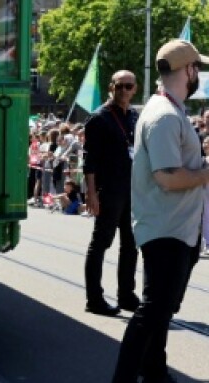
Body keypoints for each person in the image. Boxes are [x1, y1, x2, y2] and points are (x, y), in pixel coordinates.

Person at [108, 40, 209, 383]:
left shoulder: (170, 110)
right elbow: (167, 177)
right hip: (166, 227)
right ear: (187, 71)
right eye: (197, 68)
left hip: (174, 227)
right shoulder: (166, 116)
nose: (199, 75)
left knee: (163, 307)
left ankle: (153, 374)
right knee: (154, 308)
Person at [82, 71, 140, 316]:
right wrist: (91, 193)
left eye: (129, 86)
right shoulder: (99, 118)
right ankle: (94, 299)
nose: (124, 91)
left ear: (135, 89)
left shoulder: (134, 117)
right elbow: (89, 161)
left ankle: (126, 294)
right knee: (101, 244)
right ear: (111, 87)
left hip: (132, 190)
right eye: (120, 86)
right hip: (108, 190)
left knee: (131, 244)